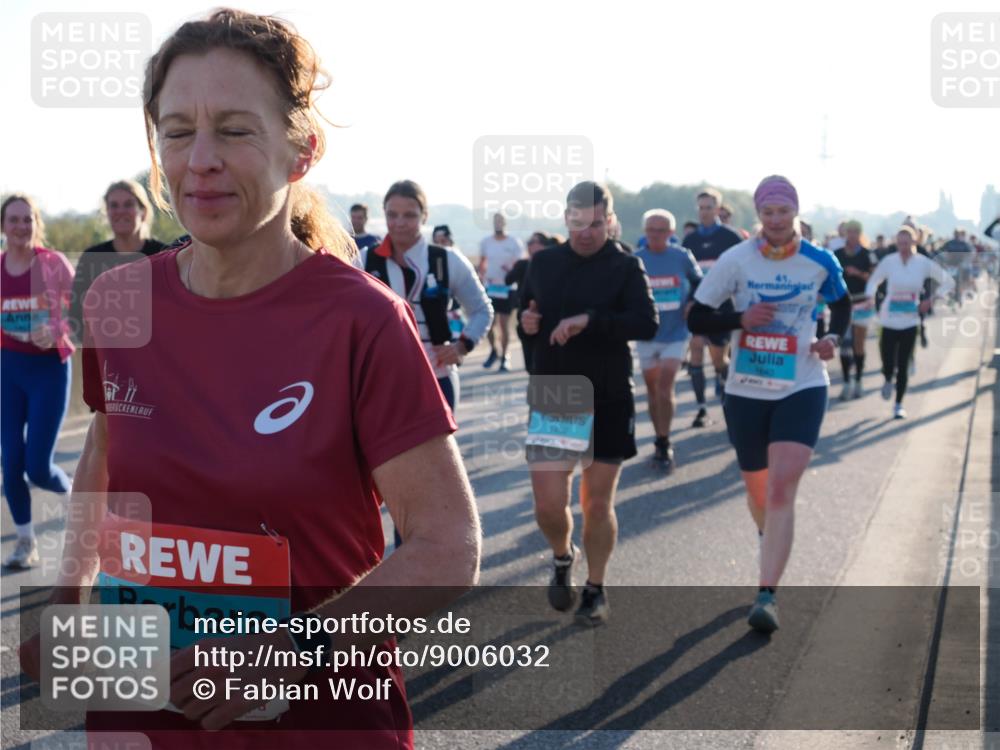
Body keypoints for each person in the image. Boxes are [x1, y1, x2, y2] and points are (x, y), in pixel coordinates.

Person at [18, 11, 480, 747]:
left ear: (302, 151)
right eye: (177, 132)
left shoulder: (362, 320)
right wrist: (66, 594)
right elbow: (103, 456)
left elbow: (448, 546)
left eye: (234, 130)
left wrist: (291, 651)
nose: (200, 159)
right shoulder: (119, 300)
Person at [688, 175, 850, 633]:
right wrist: (740, 317)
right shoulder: (736, 259)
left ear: (795, 212)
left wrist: (832, 338)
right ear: (758, 215)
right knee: (759, 492)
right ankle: (768, 536)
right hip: (746, 389)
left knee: (780, 490)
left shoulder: (819, 260)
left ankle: (767, 594)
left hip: (802, 385)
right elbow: (697, 316)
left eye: (784, 211)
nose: (776, 220)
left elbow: (841, 306)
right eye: (768, 212)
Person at [519, 181, 657, 626]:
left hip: (608, 394)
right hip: (557, 392)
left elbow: (647, 322)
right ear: (566, 219)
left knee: (597, 504)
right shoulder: (543, 263)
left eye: (596, 224)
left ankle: (596, 587)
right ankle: (563, 555)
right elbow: (527, 317)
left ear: (610, 221)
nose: (586, 232)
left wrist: (590, 321)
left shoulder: (626, 265)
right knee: (547, 505)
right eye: (578, 223)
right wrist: (527, 323)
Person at [363, 180, 492, 412]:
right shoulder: (364, 260)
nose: (400, 223)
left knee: (441, 438)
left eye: (409, 215)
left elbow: (482, 310)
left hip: (438, 377)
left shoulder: (447, 259)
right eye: (392, 215)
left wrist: (462, 346)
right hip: (382, 381)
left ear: (424, 216)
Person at [1, 194, 75, 568]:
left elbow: (84, 310)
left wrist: (57, 329)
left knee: (38, 468)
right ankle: (25, 543)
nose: (21, 226)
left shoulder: (53, 264)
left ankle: (72, 494)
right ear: (3, 226)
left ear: (36, 223)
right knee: (11, 462)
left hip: (49, 371)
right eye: (14, 219)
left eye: (27, 219)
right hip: (8, 372)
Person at [635, 209, 702, 471]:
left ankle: (665, 440)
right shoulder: (636, 260)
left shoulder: (681, 256)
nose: (655, 235)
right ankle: (659, 437)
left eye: (661, 230)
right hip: (647, 334)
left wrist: (693, 302)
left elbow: (700, 283)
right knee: (652, 391)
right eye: (651, 230)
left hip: (676, 332)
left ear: (671, 233)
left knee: (665, 385)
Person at [864, 226, 954, 419]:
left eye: (906, 243)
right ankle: (887, 378)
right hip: (888, 320)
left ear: (914, 242)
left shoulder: (923, 263)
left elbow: (948, 281)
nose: (903, 247)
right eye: (900, 243)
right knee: (887, 361)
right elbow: (873, 281)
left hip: (910, 321)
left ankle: (898, 404)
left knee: (903, 364)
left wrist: (931, 300)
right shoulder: (889, 261)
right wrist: (870, 297)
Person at [68, 180, 168, 344]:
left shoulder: (164, 254)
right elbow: (76, 315)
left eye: (128, 204)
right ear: (107, 212)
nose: (120, 211)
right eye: (114, 206)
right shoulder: (91, 258)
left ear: (143, 211)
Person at [682, 187, 742, 427]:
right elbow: (686, 276)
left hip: (723, 307)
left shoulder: (731, 237)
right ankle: (701, 409)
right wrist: (687, 301)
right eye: (700, 208)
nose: (703, 212)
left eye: (708, 207)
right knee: (696, 349)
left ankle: (730, 399)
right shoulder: (690, 240)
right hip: (698, 306)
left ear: (718, 209)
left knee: (719, 360)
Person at [834, 220, 877, 400]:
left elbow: (875, 278)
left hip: (862, 302)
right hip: (843, 304)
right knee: (844, 345)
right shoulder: (837, 254)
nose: (852, 235)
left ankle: (858, 380)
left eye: (855, 232)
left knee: (858, 343)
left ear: (860, 233)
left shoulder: (868, 254)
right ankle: (846, 382)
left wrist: (858, 273)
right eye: (849, 231)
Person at [507, 231, 560, 372]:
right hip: (527, 319)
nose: (529, 246)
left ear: (543, 244)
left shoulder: (558, 264)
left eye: (532, 242)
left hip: (552, 324)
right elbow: (508, 280)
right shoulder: (523, 264)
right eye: (528, 243)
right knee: (532, 367)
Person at [479, 212, 525, 371]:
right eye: (495, 221)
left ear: (505, 223)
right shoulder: (486, 242)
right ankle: (494, 351)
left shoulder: (514, 242)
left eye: (501, 221)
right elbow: (482, 263)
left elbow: (519, 264)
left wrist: (510, 270)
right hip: (490, 287)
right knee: (489, 324)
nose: (498, 223)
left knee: (503, 324)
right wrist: (481, 277)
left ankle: (505, 356)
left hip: (507, 288)